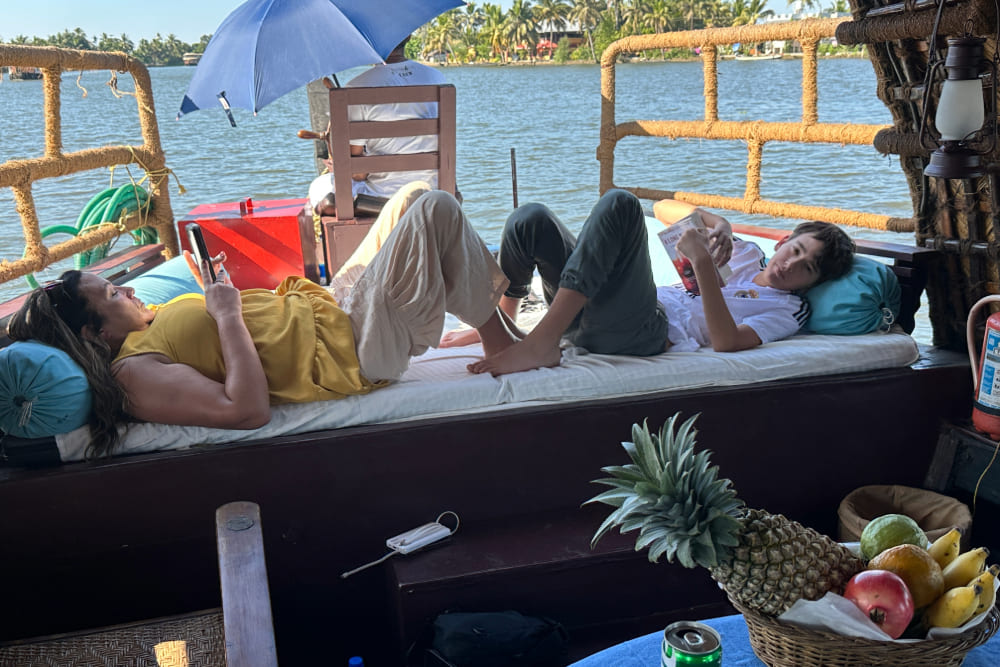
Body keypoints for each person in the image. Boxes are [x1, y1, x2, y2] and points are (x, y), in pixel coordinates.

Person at [8, 184, 513, 458]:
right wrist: (227, 315)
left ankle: (505, 329)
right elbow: (245, 410)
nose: (131, 289)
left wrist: (216, 296)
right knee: (436, 209)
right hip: (350, 348)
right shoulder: (133, 374)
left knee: (411, 196)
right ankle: (501, 345)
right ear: (96, 334)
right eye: (115, 292)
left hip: (330, 309)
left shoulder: (144, 328)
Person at [463, 189, 855, 376]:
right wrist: (720, 224)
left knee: (620, 205)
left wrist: (702, 263)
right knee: (531, 219)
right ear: (785, 240)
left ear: (811, 284)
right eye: (798, 249)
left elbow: (727, 342)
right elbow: (663, 207)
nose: (794, 263)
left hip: (645, 331)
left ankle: (540, 344)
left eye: (808, 268)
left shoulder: (788, 310)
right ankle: (504, 324)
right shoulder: (747, 251)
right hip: (601, 313)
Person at [307, 36, 447, 216]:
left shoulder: (356, 87)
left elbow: (358, 174)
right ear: (409, 36)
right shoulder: (437, 77)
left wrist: (340, 161)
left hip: (381, 198)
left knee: (318, 186)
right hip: (432, 191)